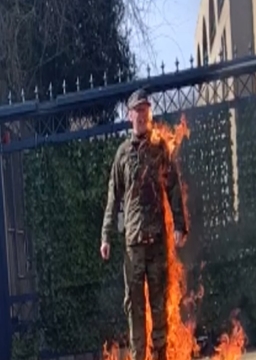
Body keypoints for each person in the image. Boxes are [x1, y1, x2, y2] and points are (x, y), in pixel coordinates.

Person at [99, 88, 188, 360]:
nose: (141, 114)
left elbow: (172, 187)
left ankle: (160, 356)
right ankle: (139, 356)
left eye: (145, 109)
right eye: (137, 110)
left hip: (158, 243)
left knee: (159, 305)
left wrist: (179, 226)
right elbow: (113, 195)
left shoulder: (160, 148)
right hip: (133, 247)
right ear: (129, 116)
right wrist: (105, 236)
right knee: (135, 307)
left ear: (150, 114)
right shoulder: (122, 154)